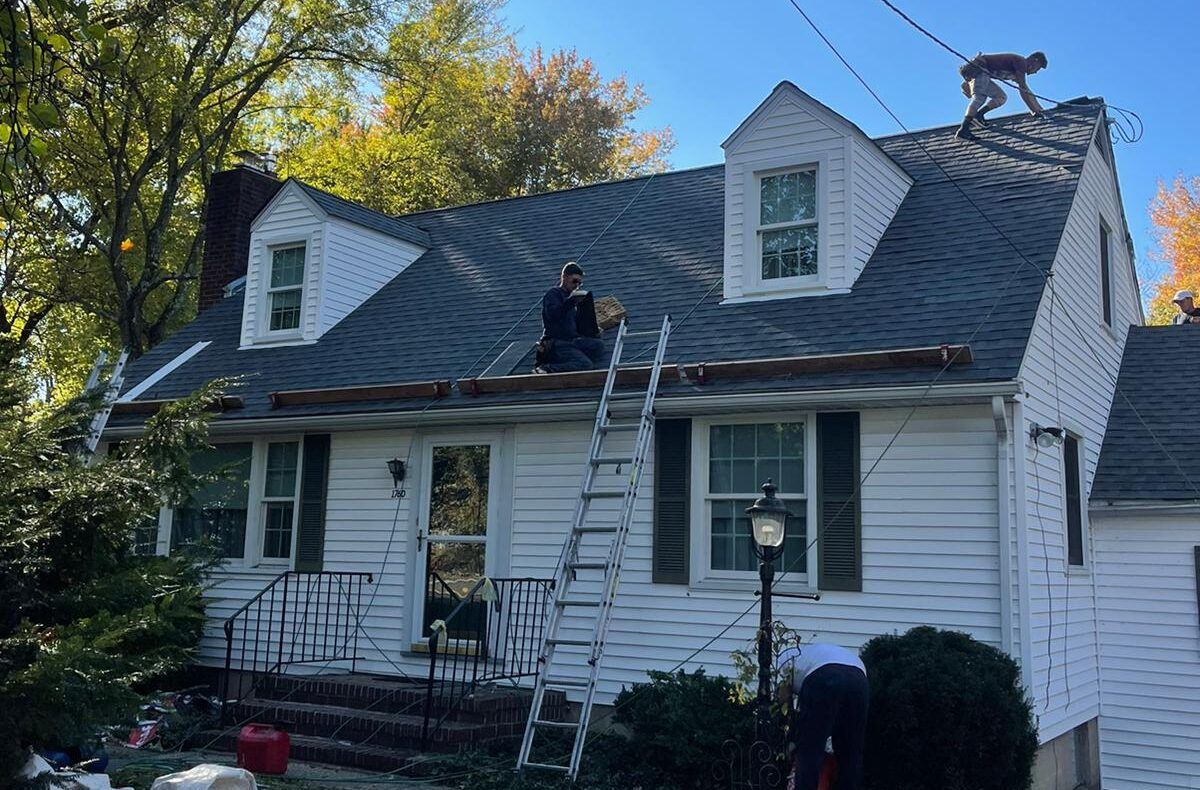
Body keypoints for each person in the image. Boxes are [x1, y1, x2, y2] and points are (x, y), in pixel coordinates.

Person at [776, 642, 869, 790]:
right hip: (859, 678)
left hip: (823, 677)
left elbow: (783, 700)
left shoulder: (782, 662)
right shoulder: (811, 653)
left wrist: (784, 726)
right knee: (851, 752)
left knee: (810, 749)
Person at [955, 51, 1048, 140]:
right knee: (979, 98)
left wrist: (1038, 109)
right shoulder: (1021, 63)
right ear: (1034, 61)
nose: (1035, 72)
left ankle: (979, 115)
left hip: (982, 73)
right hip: (980, 70)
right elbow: (1023, 90)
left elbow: (1027, 91)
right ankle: (964, 129)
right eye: (1037, 68)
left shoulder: (1016, 71)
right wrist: (1034, 111)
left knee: (1001, 97)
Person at [534, 261, 604, 373]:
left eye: (579, 283)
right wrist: (571, 301)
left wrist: (592, 331)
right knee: (585, 364)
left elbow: (575, 325)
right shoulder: (554, 294)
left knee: (598, 345)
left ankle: (573, 356)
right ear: (564, 277)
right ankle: (547, 368)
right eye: (575, 281)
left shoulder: (572, 300)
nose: (576, 285)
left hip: (572, 340)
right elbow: (553, 315)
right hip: (557, 342)